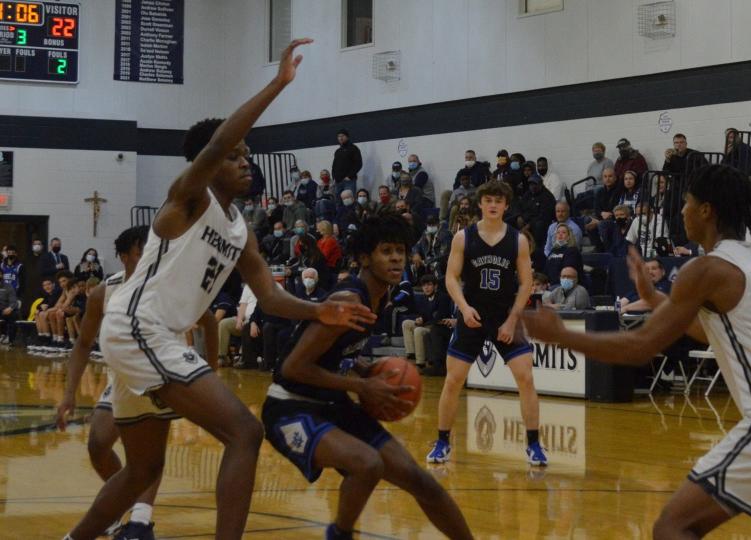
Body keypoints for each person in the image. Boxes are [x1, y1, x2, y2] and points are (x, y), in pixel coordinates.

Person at [59, 39, 378, 540]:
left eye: (248, 156)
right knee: (244, 432)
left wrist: (321, 312)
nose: (246, 162)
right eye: (236, 155)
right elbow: (212, 148)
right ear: (211, 163)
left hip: (145, 339)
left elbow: (271, 298)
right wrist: (277, 83)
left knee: (141, 472)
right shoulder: (187, 199)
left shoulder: (239, 231)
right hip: (141, 328)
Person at [523, 164, 751, 539]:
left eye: (687, 204)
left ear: (706, 210)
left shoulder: (708, 268)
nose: (682, 212)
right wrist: (655, 298)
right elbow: (718, 333)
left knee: (673, 527)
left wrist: (562, 334)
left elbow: (640, 346)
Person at [262, 213, 473, 540]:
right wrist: (361, 384)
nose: (396, 258)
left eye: (400, 251)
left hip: (332, 403)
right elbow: (292, 368)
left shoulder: (382, 295)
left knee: (421, 482)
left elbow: (339, 351)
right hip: (291, 407)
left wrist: (363, 368)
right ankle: (340, 533)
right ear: (364, 257)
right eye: (386, 251)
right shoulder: (348, 299)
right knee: (367, 464)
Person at [55, 226, 219, 540]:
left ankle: (141, 521)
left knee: (146, 456)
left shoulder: (169, 284)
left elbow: (208, 321)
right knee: (98, 445)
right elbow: (83, 343)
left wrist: (210, 370)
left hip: (162, 375)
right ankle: (120, 505)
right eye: (147, 248)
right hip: (121, 376)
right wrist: (68, 394)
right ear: (127, 254)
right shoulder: (106, 291)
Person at [427, 180, 548, 466]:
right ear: (480, 204)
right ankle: (443, 442)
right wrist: (464, 308)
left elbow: (527, 282)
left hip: (505, 316)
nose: (493, 205)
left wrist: (512, 321)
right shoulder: (463, 238)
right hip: (472, 315)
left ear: (506, 206)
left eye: (499, 201)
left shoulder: (517, 239)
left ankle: (534, 445)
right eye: (488, 200)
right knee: (453, 380)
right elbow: (450, 278)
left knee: (526, 378)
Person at [332, 128, 362, 198]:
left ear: (347, 137)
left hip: (349, 181)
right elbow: (334, 166)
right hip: (338, 181)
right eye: (339, 136)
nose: (340, 138)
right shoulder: (338, 151)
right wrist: (334, 177)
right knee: (338, 203)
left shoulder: (354, 148)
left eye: (342, 136)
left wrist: (349, 176)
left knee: (349, 202)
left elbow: (358, 164)